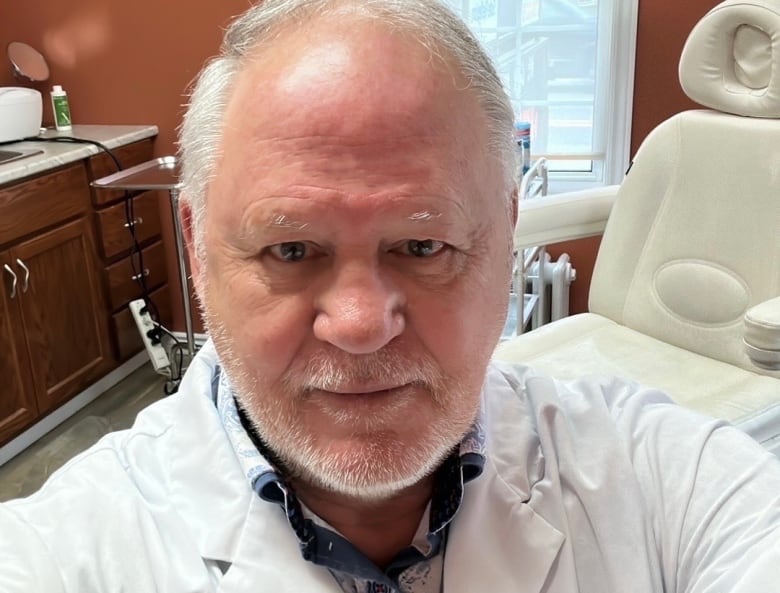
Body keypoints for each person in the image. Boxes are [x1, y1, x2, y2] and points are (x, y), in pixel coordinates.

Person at [2, 0, 780, 591]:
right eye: (291, 248)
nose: (362, 325)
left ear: (505, 235)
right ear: (198, 248)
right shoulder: (67, 546)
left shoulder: (663, 478)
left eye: (422, 245)